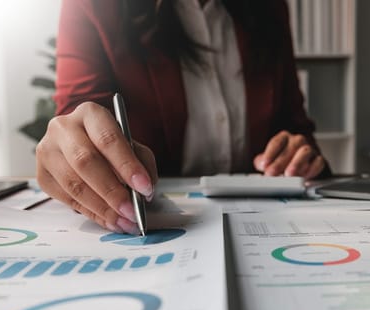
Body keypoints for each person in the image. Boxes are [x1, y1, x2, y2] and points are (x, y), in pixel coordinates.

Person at [36, 0, 329, 234]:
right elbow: (80, 120)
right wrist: (75, 151)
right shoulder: (95, 5)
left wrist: (299, 155)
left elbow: (297, 129)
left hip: (265, 223)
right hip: (165, 222)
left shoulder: (269, 7)